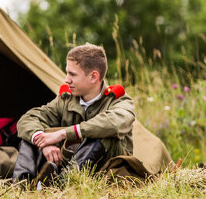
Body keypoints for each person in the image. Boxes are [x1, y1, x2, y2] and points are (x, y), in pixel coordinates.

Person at [13, 43, 136, 184]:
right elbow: (28, 118)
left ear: (93, 77)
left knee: (101, 133)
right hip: (67, 162)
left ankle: (65, 183)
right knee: (34, 135)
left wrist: (64, 133)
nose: (66, 79)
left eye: (72, 74)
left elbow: (113, 123)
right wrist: (42, 141)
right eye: (67, 73)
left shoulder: (119, 100)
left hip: (108, 169)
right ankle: (20, 184)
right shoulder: (66, 100)